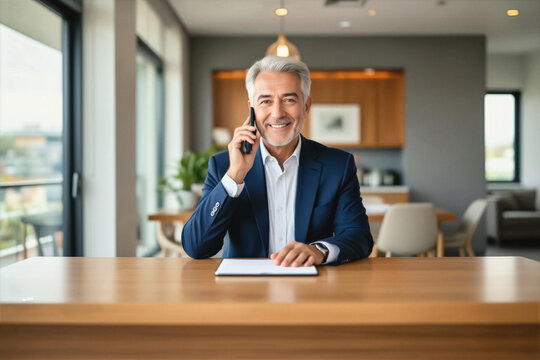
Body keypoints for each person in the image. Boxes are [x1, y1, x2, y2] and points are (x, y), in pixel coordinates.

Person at [182, 56, 373, 266]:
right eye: (265, 101)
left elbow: (359, 237)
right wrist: (235, 176)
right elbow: (196, 247)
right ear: (251, 109)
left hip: (312, 289)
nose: (277, 113)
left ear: (306, 106)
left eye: (289, 100)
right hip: (244, 292)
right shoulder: (223, 166)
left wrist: (319, 250)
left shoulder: (337, 165)